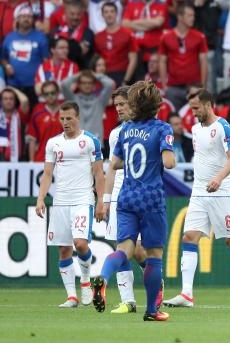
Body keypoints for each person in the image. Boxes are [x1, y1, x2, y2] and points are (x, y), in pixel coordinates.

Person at [92, 80, 175, 322]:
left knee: (124, 249)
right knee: (154, 255)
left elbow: (115, 164)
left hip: (126, 197)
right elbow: (169, 163)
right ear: (156, 105)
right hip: (151, 198)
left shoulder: (125, 131)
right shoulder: (162, 129)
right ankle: (151, 311)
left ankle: (103, 278)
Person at [163, 89, 230, 309]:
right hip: (199, 193)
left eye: (196, 108)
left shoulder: (223, 127)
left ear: (209, 104)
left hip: (221, 192)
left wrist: (219, 178)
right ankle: (186, 294)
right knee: (189, 237)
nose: (193, 113)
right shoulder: (194, 129)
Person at [35, 101, 104, 308]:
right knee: (64, 249)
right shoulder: (53, 143)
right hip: (61, 200)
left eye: (69, 118)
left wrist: (101, 201)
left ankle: (85, 280)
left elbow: (99, 174)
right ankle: (71, 296)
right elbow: (47, 174)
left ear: (78, 118)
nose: (65, 123)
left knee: (80, 244)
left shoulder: (91, 141)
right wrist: (41, 198)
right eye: (62, 119)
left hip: (83, 199)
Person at [102, 87, 147, 314]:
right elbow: (112, 169)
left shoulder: (149, 129)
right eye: (116, 105)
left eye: (122, 104)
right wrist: (106, 200)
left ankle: (152, 274)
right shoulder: (115, 134)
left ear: (133, 104)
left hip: (142, 194)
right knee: (120, 246)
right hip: (120, 194)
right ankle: (128, 301)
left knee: (138, 249)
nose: (118, 109)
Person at [158, 4, 209, 110]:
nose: (193, 18)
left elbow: (203, 61)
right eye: (189, 16)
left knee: (196, 118)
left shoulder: (199, 37)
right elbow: (162, 61)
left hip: (194, 87)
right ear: (180, 17)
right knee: (173, 117)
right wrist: (164, 85)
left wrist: (202, 85)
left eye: (193, 15)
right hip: (173, 87)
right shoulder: (166, 37)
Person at [61, 71, 116, 139]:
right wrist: (79, 75)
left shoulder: (100, 100)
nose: (87, 85)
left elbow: (110, 84)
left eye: (89, 83)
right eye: (84, 83)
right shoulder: (73, 99)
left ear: (94, 85)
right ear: (79, 85)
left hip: (95, 142)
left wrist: (95, 75)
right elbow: (64, 84)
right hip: (77, 141)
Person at [25, 81, 63, 162]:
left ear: (58, 93)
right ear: (43, 96)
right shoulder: (37, 111)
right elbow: (32, 139)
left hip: (63, 161)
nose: (50, 96)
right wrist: (31, 161)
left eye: (52, 93)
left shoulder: (66, 111)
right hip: (41, 159)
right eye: (47, 94)